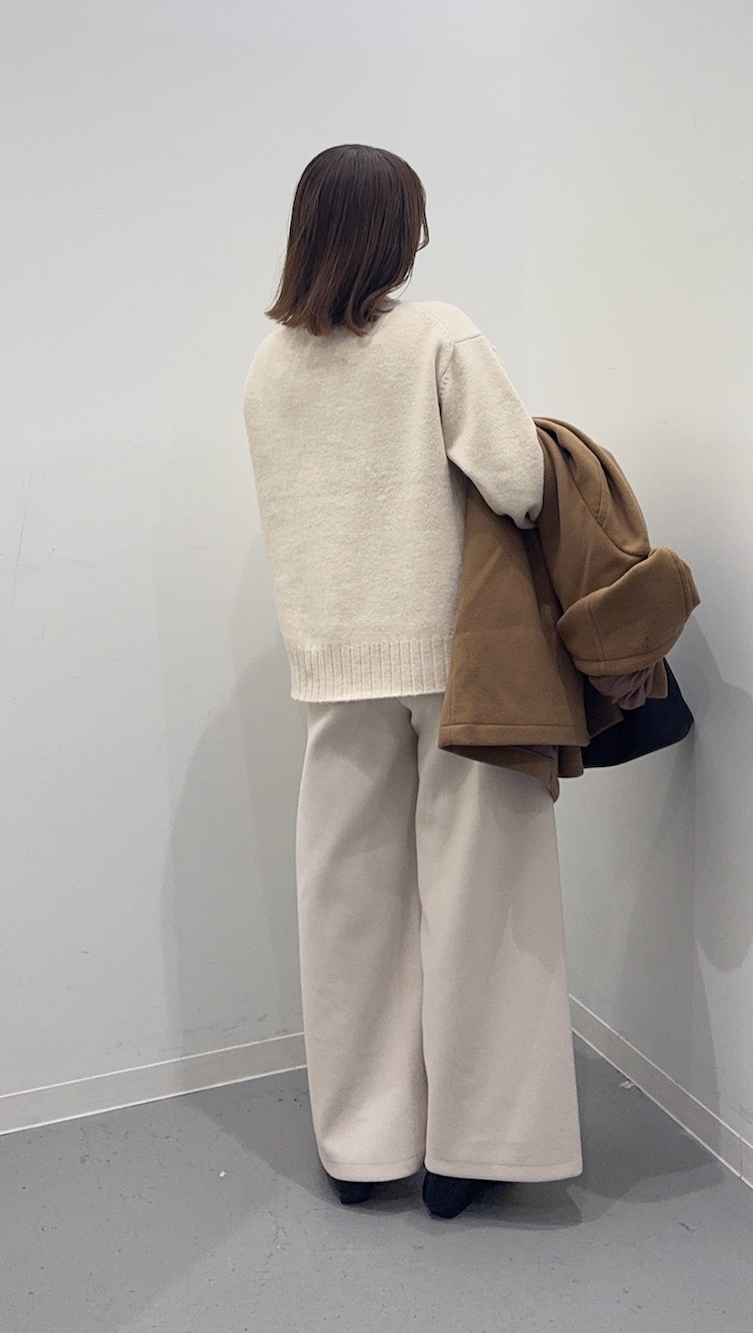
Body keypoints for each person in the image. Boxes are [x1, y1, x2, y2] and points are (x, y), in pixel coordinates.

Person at [242, 143, 583, 1219]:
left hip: (331, 668)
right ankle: (473, 1146)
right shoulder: (438, 335)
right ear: (396, 233)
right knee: (483, 899)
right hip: (457, 662)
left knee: (348, 906)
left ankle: (362, 1147)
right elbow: (519, 481)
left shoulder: (266, 370)